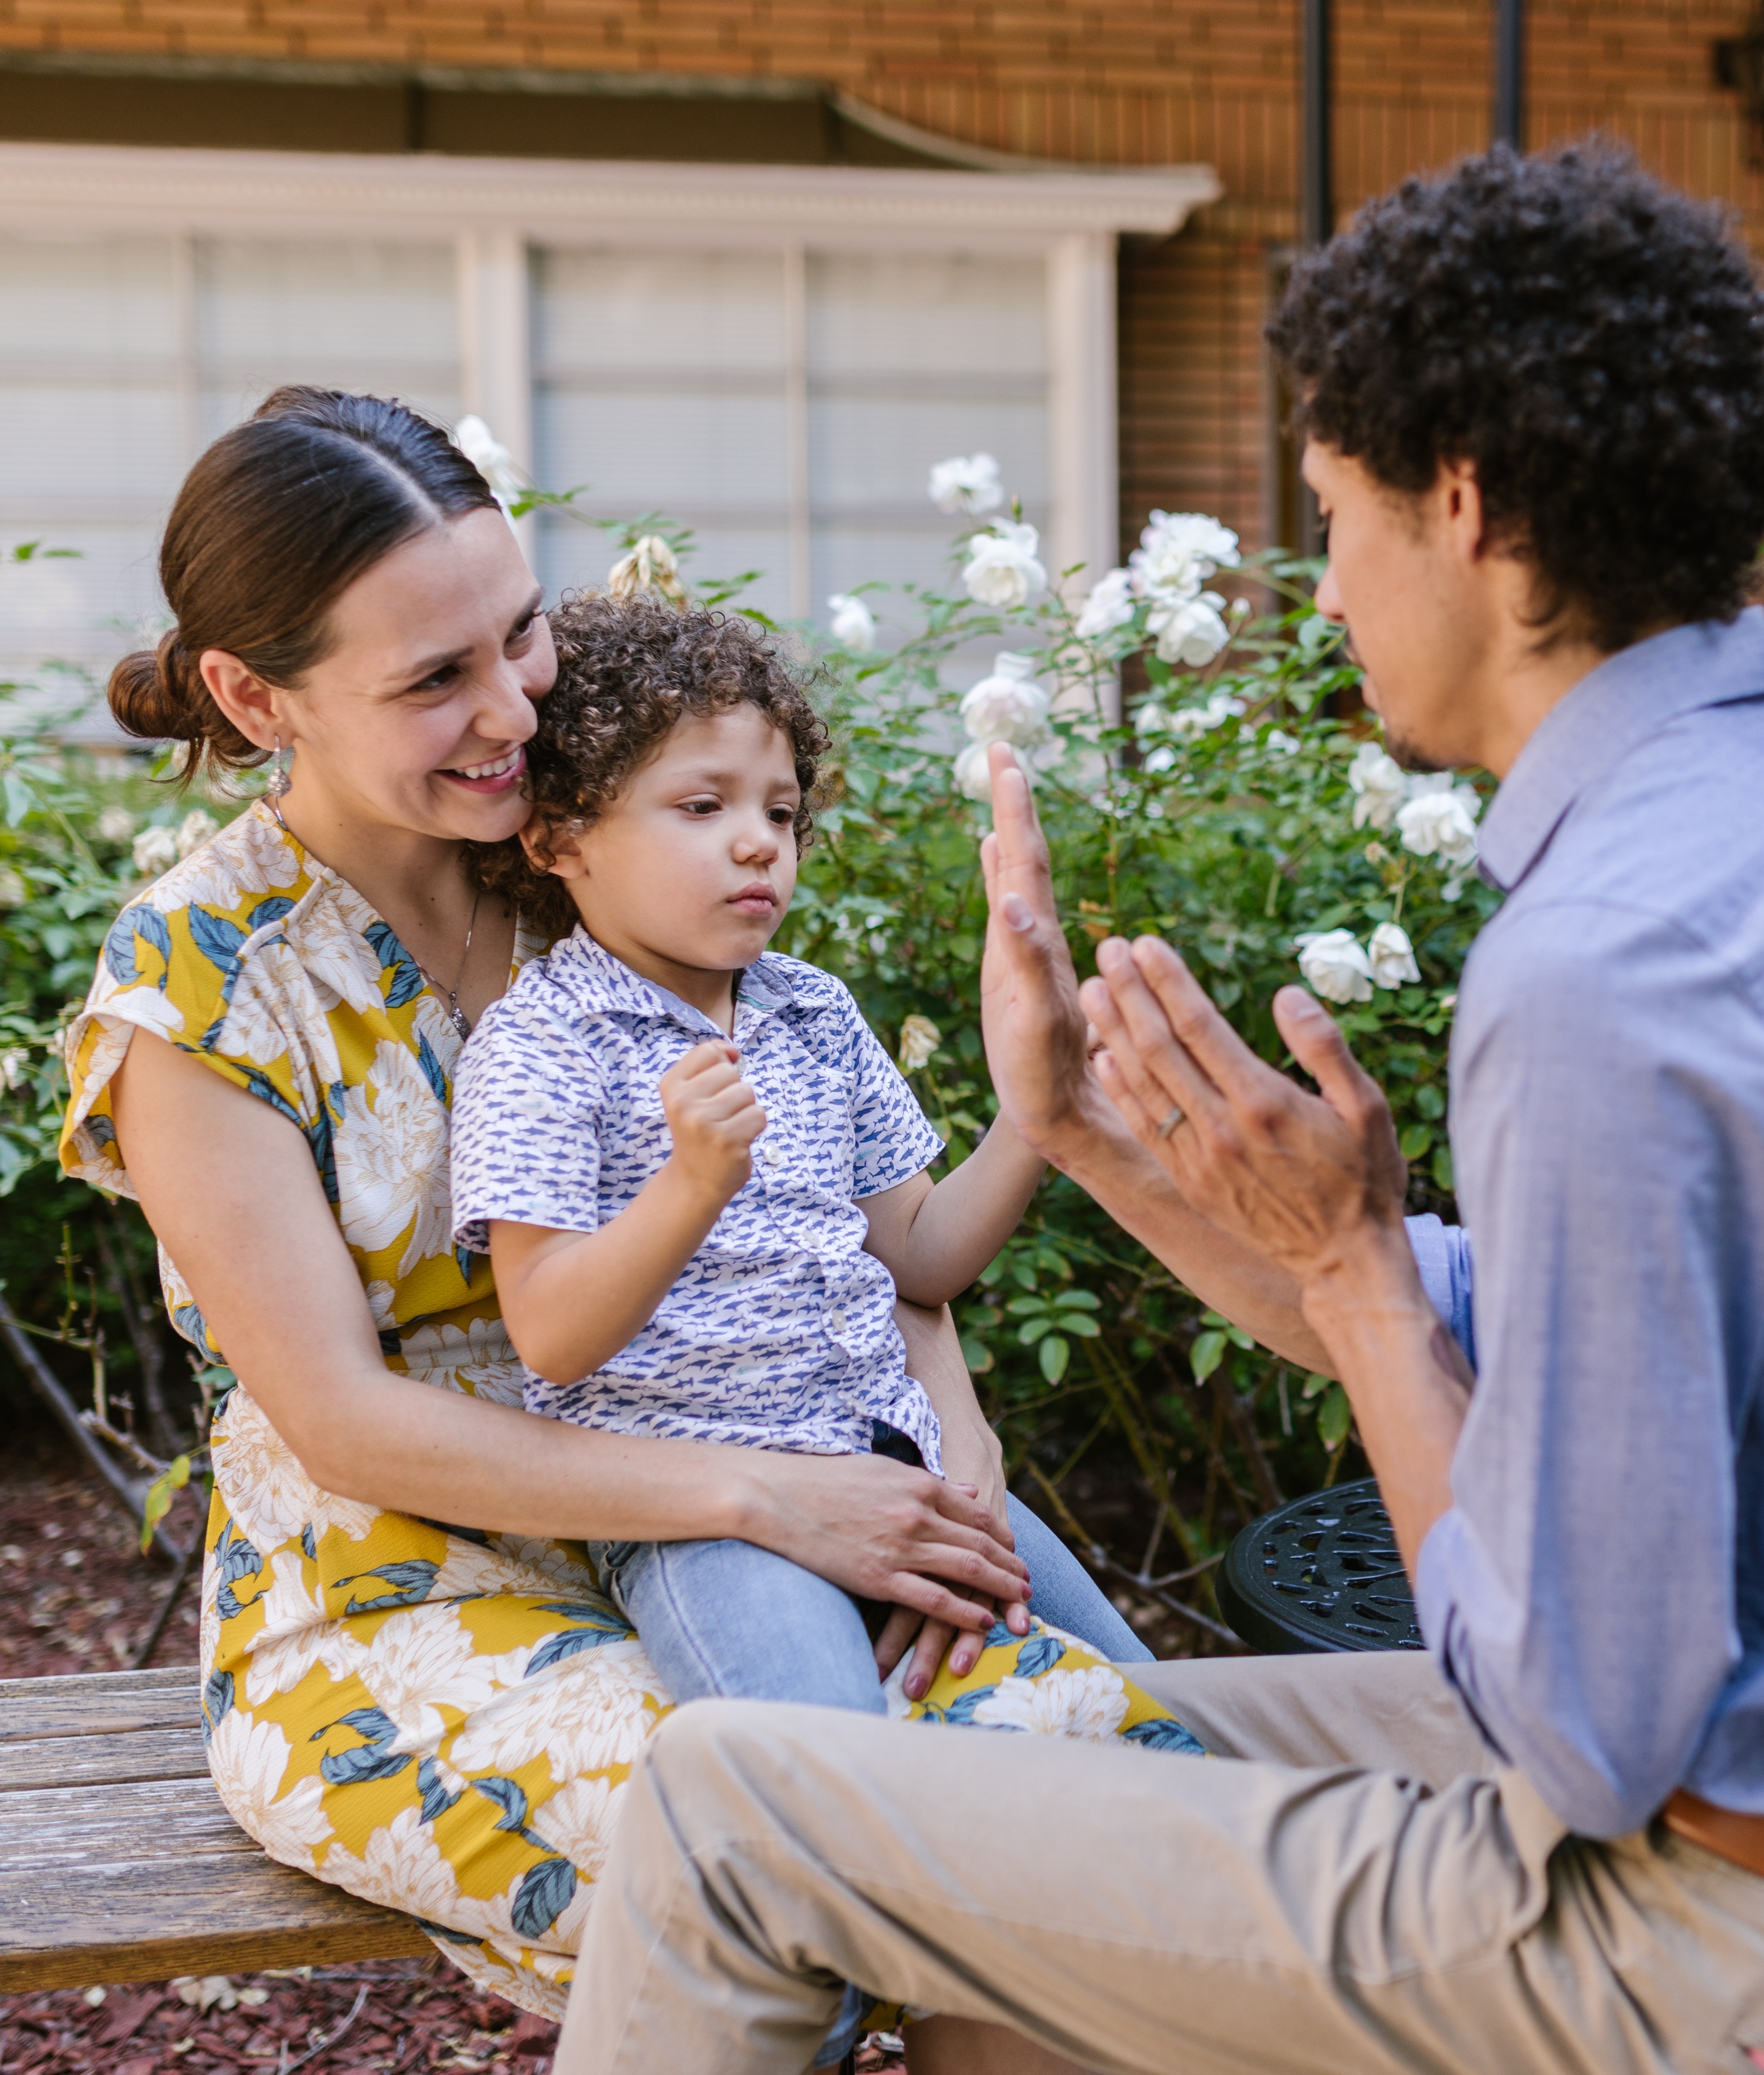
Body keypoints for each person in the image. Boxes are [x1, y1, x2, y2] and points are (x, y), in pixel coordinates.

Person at [552, 142, 1764, 2075]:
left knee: (730, 1806)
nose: (1326, 581)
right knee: (1053, 1809)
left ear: (1463, 508)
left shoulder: (1615, 955)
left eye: (1334, 516)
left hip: (1720, 1935)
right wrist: (1087, 1127)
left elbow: (1582, 1723)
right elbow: (1496, 1345)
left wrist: (1357, 1277)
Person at [57, 386, 1088, 2029]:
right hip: (401, 1596)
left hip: (781, 1491)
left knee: (1099, 1793)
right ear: (261, 697)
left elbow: (840, 1223)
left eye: (520, 633)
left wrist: (950, 1443)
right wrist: (771, 1502)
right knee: (777, 1857)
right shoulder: (203, 984)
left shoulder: (592, 855)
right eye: (433, 679)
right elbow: (344, 1422)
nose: (510, 708)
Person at [448, 593, 1175, 1726]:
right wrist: (689, 1187)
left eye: (781, 812)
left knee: (1169, 1710)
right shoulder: (544, 1041)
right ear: (560, 837)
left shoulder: (811, 1012)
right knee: (827, 1764)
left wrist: (1038, 1114)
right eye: (703, 804)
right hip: (707, 1523)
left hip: (903, 1471)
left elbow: (921, 1259)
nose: (759, 842)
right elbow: (548, 1327)